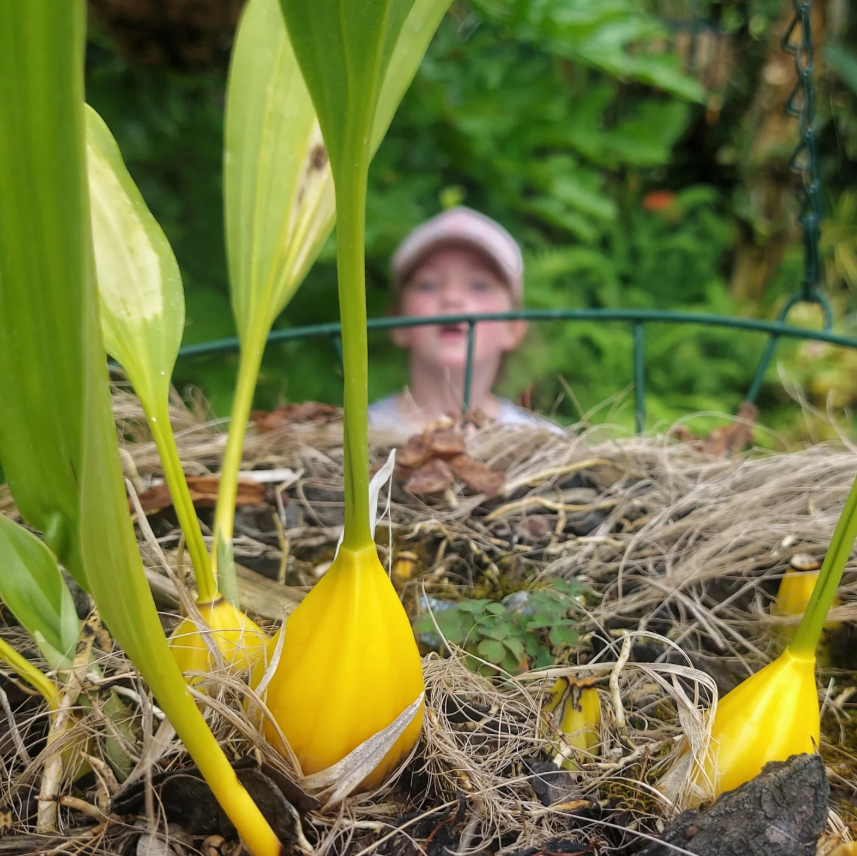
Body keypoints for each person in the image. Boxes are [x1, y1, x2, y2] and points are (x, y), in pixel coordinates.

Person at [368, 206, 559, 435]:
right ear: (397, 321)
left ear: (514, 327)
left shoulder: (545, 446)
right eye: (428, 284)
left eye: (479, 285)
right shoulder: (355, 440)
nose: (452, 298)